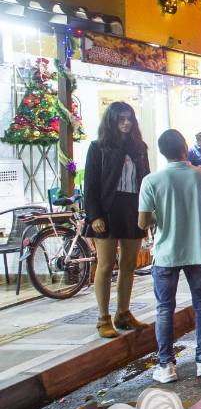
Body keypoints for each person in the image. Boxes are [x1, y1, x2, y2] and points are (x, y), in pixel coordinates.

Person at [137, 129, 201, 382]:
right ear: (186, 148)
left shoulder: (152, 181)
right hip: (198, 251)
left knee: (165, 308)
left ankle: (166, 366)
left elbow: (142, 221)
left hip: (165, 254)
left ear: (162, 152)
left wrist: (162, 214)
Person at [83, 101, 151, 339]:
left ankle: (123, 312)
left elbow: (147, 182)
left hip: (132, 209)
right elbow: (90, 185)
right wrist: (94, 216)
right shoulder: (98, 147)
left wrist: (148, 211)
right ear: (111, 121)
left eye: (129, 118)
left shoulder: (140, 147)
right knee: (105, 264)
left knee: (129, 264)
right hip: (107, 210)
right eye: (121, 119)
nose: (126, 123)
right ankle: (103, 317)